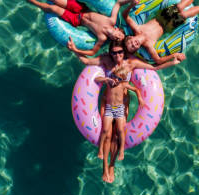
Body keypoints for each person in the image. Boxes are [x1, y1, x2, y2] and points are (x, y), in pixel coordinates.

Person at [74, 40, 182, 182]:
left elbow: (154, 67)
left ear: (124, 52)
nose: (117, 55)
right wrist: (74, 49)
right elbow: (86, 62)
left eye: (120, 52)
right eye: (114, 52)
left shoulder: (131, 63)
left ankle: (111, 165)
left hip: (123, 105)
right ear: (110, 52)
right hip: (107, 102)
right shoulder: (106, 60)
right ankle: (105, 167)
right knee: (105, 133)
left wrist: (173, 61)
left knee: (117, 136)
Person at [19, 0, 133, 55]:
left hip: (76, 20)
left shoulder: (102, 38)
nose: (116, 37)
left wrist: (75, 50)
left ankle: (30, 0)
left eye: (117, 39)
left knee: (53, 9)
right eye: (119, 35)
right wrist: (130, 1)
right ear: (117, 29)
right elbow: (118, 3)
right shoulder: (111, 20)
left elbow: (93, 52)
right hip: (82, 9)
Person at [122, 0, 199, 63]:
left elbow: (125, 16)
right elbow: (158, 60)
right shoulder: (149, 46)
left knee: (180, 6)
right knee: (184, 14)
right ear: (137, 48)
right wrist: (174, 56)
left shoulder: (137, 29)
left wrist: (131, 5)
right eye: (133, 48)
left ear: (131, 37)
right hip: (168, 27)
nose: (134, 44)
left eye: (131, 43)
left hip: (161, 17)